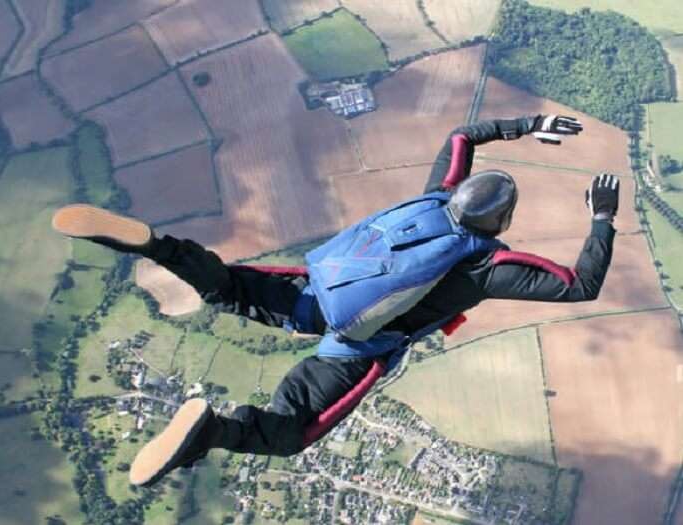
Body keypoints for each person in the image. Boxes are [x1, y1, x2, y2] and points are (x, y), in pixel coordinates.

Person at [51, 114, 620, 487]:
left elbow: (461, 137)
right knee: (291, 431)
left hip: (317, 293)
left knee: (229, 286)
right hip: (358, 348)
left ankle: (158, 246)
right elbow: (579, 284)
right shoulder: (486, 263)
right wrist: (601, 218)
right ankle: (211, 432)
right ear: (501, 222)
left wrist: (528, 125)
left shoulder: (435, 198)